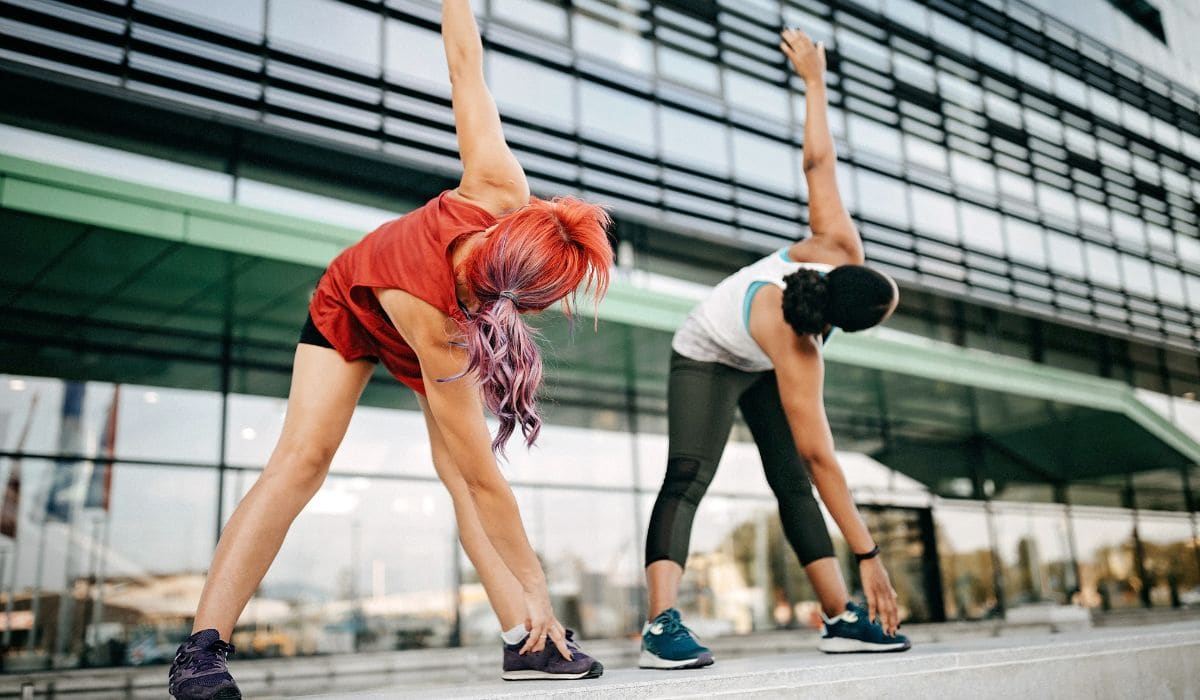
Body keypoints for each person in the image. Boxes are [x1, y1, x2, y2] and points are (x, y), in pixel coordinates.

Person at [167, 2, 613, 697]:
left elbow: (480, 483)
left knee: (458, 475)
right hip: (354, 301)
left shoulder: (483, 249)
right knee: (302, 459)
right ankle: (201, 651)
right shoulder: (455, 289)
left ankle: (525, 641)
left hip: (425, 330)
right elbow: (466, 65)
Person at [639, 28, 910, 670]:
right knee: (688, 474)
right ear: (839, 323)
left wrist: (816, 82)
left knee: (789, 482)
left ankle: (841, 619)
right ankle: (658, 627)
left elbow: (818, 165)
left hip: (758, 357)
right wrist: (872, 556)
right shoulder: (800, 350)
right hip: (705, 350)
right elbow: (826, 458)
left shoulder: (839, 248)